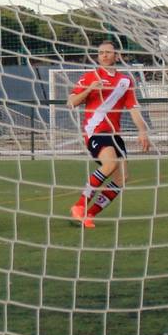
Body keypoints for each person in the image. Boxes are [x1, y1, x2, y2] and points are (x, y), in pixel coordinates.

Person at [65, 40, 151, 228]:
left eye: (108, 52)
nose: (104, 55)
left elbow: (134, 108)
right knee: (110, 164)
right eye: (101, 52)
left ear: (117, 56)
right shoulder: (90, 77)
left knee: (121, 179)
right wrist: (89, 89)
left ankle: (90, 214)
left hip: (114, 134)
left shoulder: (125, 81)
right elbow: (70, 103)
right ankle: (79, 206)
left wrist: (142, 131)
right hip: (95, 130)